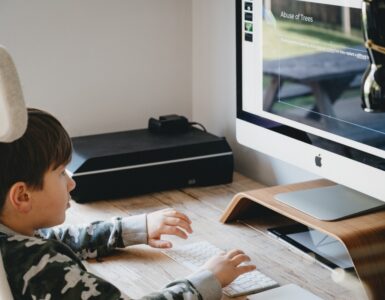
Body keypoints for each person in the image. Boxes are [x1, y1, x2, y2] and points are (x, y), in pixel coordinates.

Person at [0, 108, 256, 300]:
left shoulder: (12, 239)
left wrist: (135, 228)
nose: (71, 183)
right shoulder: (43, 265)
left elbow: (57, 237)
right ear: (22, 196)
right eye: (60, 173)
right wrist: (208, 279)